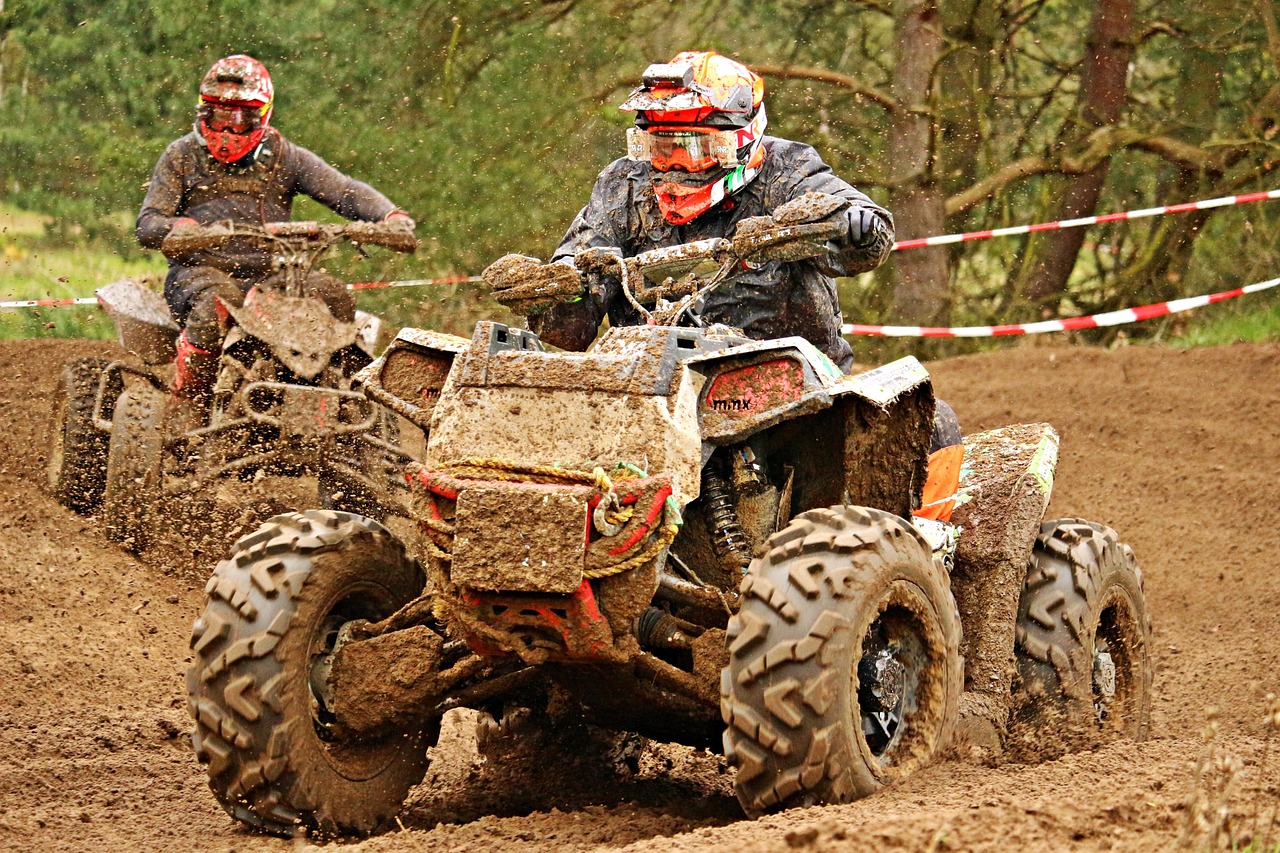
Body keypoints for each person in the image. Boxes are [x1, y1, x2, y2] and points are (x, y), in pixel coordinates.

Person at [487, 50, 960, 448]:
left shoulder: (788, 170)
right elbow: (575, 311)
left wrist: (846, 226)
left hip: (788, 385)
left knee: (927, 423)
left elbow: (868, 231)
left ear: (741, 140)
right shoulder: (622, 185)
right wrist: (553, 292)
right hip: (650, 389)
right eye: (659, 147)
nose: (673, 164)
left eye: (693, 148)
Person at [136, 54, 414, 403]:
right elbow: (148, 223)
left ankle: (335, 400)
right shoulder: (181, 155)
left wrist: (389, 217)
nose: (227, 130)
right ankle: (190, 402)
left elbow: (344, 191)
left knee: (333, 295)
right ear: (203, 112)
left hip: (273, 276)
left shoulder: (284, 156)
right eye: (219, 116)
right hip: (198, 273)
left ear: (261, 117)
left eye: (239, 120)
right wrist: (180, 227)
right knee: (217, 304)